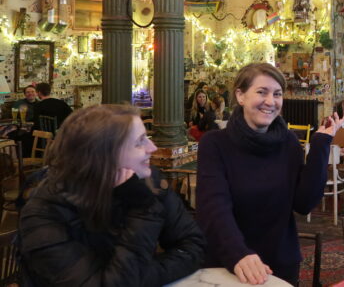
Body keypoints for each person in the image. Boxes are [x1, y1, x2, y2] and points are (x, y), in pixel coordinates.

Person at [19, 104, 206, 286]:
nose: (152, 148)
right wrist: (143, 211)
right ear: (102, 156)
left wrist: (138, 278)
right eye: (140, 142)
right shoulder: (43, 214)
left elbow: (193, 246)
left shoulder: (147, 182)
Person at [196, 62, 344, 285]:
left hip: (280, 263)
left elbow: (304, 203)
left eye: (277, 94)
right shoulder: (215, 143)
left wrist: (321, 144)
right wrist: (239, 254)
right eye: (261, 92)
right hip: (228, 262)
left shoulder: (288, 142)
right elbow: (213, 208)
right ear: (240, 95)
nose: (270, 101)